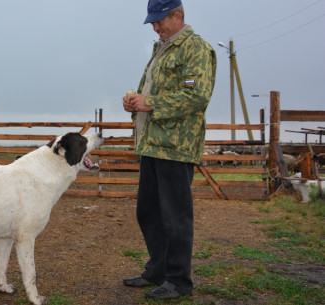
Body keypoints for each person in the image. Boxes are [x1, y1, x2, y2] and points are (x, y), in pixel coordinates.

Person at [121, 0, 217, 300]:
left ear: (177, 16)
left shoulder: (195, 49)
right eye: (152, 21)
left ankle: (179, 281)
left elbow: (195, 93)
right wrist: (135, 101)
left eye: (160, 20)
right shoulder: (161, 49)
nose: (155, 26)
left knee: (175, 217)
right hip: (152, 143)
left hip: (176, 145)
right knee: (148, 212)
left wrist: (151, 103)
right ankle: (158, 271)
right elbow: (156, 91)